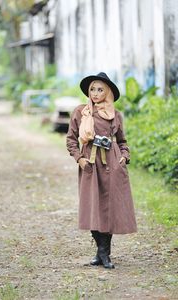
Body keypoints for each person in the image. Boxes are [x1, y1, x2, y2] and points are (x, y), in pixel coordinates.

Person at [66, 72, 137, 269]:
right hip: (89, 163)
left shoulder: (116, 115)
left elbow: (122, 141)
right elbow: (71, 139)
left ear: (108, 93)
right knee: (92, 207)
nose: (96, 93)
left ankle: (104, 254)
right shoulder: (81, 112)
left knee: (108, 207)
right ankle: (101, 251)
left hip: (112, 163)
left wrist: (124, 156)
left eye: (100, 90)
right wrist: (79, 159)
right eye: (92, 89)